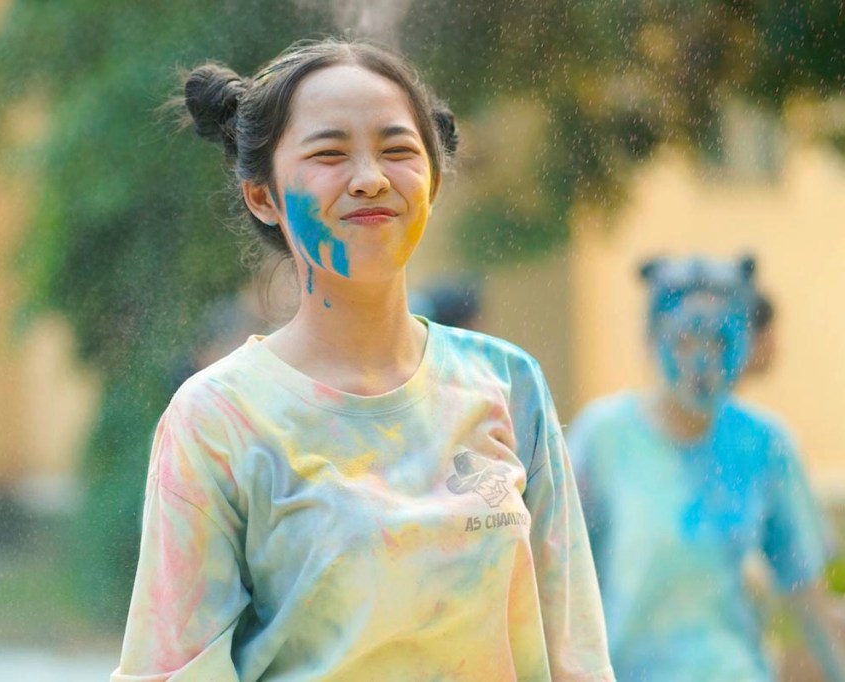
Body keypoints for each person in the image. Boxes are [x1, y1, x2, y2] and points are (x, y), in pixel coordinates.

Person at [111, 38, 613, 681]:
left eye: (399, 149)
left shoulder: (508, 383)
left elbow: (574, 650)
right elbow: (172, 670)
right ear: (262, 195)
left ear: (432, 179)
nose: (371, 177)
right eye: (328, 153)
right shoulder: (218, 419)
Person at [567, 255, 843, 681]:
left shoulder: (765, 444)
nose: (702, 361)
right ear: (652, 340)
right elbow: (559, 581)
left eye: (719, 341)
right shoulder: (601, 439)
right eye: (685, 341)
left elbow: (807, 594)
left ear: (745, 344)